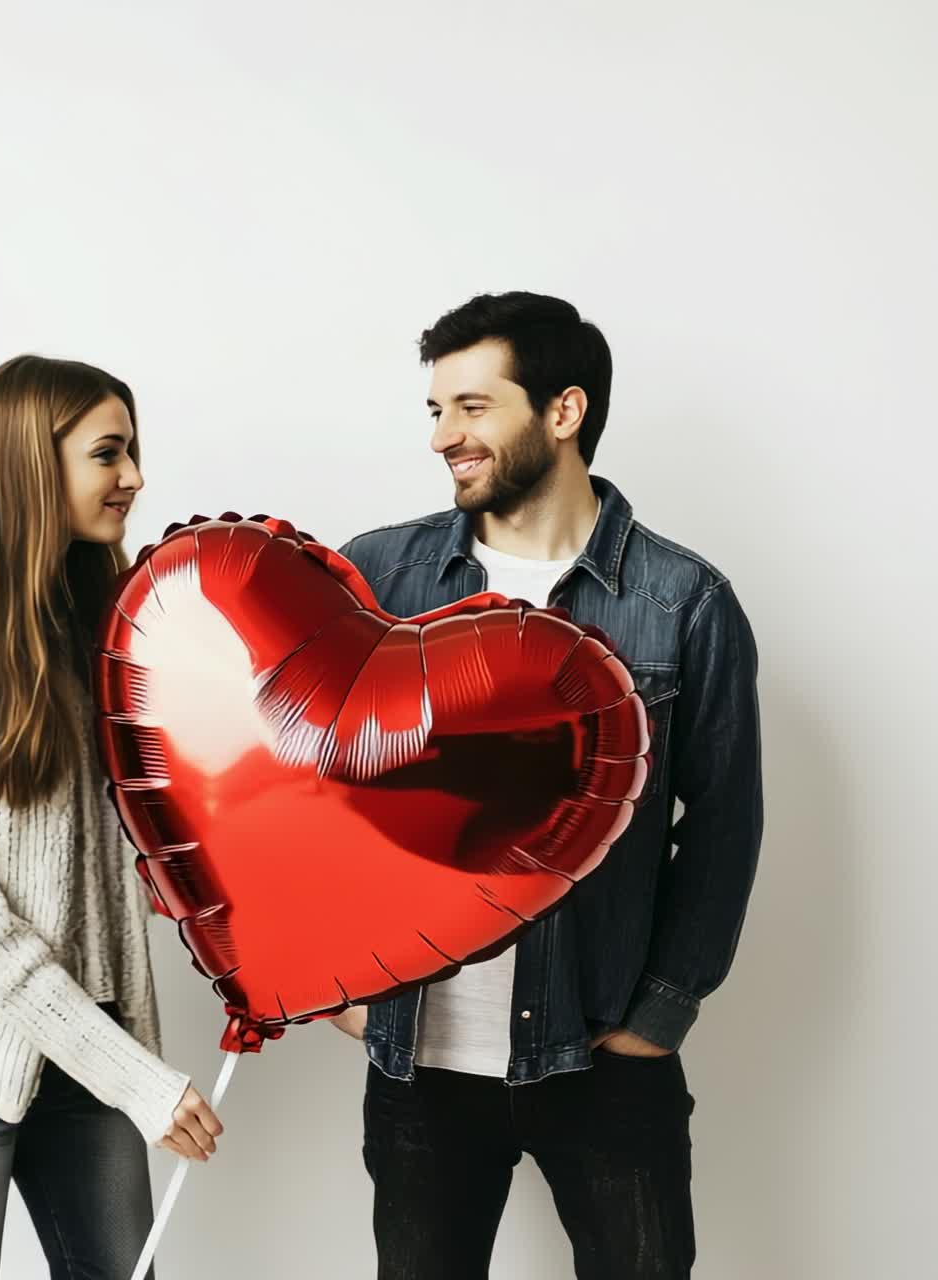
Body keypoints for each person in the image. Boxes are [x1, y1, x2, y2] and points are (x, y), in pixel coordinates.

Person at [333, 293, 763, 1279]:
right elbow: (305, 782)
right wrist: (335, 983)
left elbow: (724, 822)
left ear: (560, 412)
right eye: (435, 411)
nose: (445, 435)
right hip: (418, 1061)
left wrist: (659, 1012)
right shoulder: (377, 577)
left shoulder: (679, 602)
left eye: (472, 407)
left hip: (601, 1058)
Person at [0, 354, 223, 1280]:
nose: (134, 477)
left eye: (132, 451)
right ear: (30, 465)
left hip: (89, 1047)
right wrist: (138, 1076)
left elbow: (136, 850)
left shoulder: (98, 631)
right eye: (109, 453)